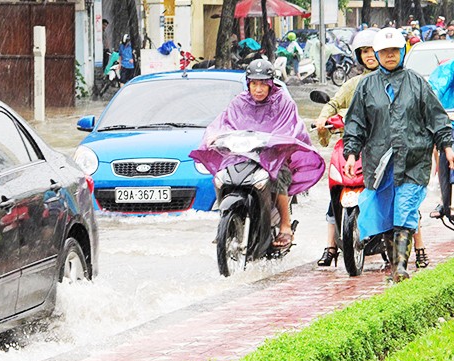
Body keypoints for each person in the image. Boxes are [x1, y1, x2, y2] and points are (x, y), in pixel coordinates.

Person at [343, 27, 454, 282]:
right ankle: (395, 266)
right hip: (379, 163)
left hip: (413, 159)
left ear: (402, 52)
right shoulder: (366, 87)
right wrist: (351, 153)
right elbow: (356, 123)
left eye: (394, 51)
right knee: (386, 214)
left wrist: (447, 146)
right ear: (377, 55)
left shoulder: (416, 83)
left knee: (404, 211)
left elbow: (437, 118)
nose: (390, 56)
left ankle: (402, 267)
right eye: (385, 52)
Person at [190, 60, 325, 249]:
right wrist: (214, 137)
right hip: (243, 156)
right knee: (221, 177)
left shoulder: (283, 102)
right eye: (254, 83)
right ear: (248, 83)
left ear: (270, 83)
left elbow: (291, 127)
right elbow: (222, 123)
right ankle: (226, 222)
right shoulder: (239, 102)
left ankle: (285, 226)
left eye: (263, 84)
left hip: (273, 157)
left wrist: (275, 141)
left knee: (278, 177)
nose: (259, 89)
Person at [313, 28, 379, 267]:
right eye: (364, 52)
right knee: (335, 192)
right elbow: (334, 103)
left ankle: (414, 244)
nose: (369, 55)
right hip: (350, 144)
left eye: (373, 50)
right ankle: (330, 246)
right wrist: (323, 119)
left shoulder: (393, 79)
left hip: (380, 145)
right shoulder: (353, 83)